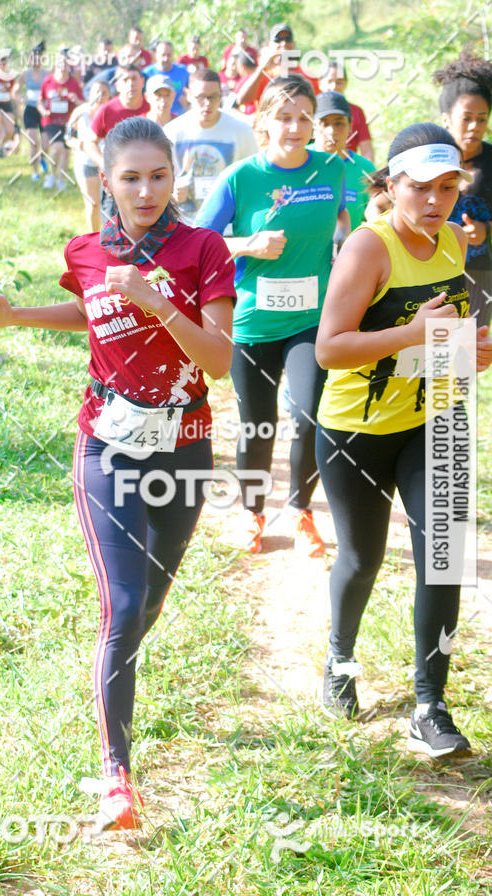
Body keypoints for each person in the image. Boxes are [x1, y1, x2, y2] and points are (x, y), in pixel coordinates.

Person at [0, 116, 236, 830]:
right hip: (107, 444)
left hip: (185, 442)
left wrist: (158, 302)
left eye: (158, 175)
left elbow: (217, 359)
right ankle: (116, 773)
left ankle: (115, 673)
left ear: (174, 176)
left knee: (148, 602)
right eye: (130, 177)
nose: (146, 190)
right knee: (122, 606)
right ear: (107, 182)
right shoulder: (87, 250)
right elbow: (90, 312)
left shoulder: (203, 249)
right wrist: (17, 314)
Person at [315, 122, 492, 756]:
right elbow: (330, 347)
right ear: (393, 186)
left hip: (433, 417)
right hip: (355, 430)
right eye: (421, 189)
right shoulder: (368, 247)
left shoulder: (451, 242)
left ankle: (430, 705)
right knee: (362, 558)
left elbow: (451, 333)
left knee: (445, 555)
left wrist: (474, 349)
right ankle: (338, 662)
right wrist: (413, 335)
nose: (436, 202)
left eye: (449, 188)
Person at [197, 75, 348, 556]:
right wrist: (248, 245)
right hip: (253, 322)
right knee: (257, 425)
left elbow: (368, 215)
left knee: (309, 416)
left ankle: (301, 512)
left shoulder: (334, 170)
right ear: (263, 121)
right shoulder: (241, 178)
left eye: (304, 116)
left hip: (311, 321)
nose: (295, 126)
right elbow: (194, 244)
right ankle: (252, 512)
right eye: (283, 116)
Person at [434, 54, 492, 327]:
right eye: (466, 118)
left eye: (482, 119)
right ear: (446, 119)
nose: (474, 127)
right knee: (435, 350)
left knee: (467, 357)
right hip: (430, 270)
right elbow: (385, 198)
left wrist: (486, 230)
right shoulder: (430, 156)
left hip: (479, 273)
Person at [165, 68, 257, 224]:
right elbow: (158, 180)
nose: (207, 104)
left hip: (227, 225)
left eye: (213, 97)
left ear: (221, 95)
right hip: (183, 225)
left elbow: (253, 178)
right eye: (201, 97)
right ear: (188, 95)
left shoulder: (242, 131)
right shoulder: (171, 133)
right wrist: (171, 193)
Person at [312, 91, 376, 233]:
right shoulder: (298, 160)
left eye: (339, 123)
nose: (332, 131)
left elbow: (376, 220)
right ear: (313, 125)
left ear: (350, 125)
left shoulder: (365, 169)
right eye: (324, 123)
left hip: (351, 252)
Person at [236, 24, 319, 109]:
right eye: (278, 40)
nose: (283, 43)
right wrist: (262, 68)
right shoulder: (262, 73)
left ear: (294, 44)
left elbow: (316, 106)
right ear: (270, 45)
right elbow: (242, 100)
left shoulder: (307, 74)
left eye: (288, 39)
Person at [65, 80, 110, 231]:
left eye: (104, 93)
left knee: (108, 205)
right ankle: (93, 238)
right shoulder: (80, 112)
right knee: (93, 203)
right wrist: (81, 145)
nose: (100, 96)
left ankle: (110, 238)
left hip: (107, 164)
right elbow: (68, 137)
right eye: (96, 92)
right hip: (85, 162)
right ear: (89, 93)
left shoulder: (111, 112)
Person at [87, 64, 150, 167]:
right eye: (125, 80)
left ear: (142, 82)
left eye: (134, 79)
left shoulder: (152, 107)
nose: (130, 84)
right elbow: (90, 143)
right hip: (119, 171)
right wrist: (103, 164)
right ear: (117, 86)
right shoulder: (107, 110)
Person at [38, 51, 83, 190]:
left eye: (65, 66)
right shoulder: (48, 81)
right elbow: (40, 101)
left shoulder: (73, 83)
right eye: (60, 66)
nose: (63, 69)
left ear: (69, 68)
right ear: (55, 67)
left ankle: (61, 179)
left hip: (69, 122)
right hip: (51, 121)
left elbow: (83, 102)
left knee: (66, 151)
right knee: (57, 147)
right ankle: (51, 175)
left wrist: (76, 100)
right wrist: (43, 111)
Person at [319, 61, 374, 162]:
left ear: (346, 84)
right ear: (320, 83)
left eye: (339, 82)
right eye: (329, 81)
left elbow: (367, 150)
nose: (334, 86)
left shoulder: (356, 112)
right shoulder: (311, 110)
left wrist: (367, 172)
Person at [15, 42, 49, 180]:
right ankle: (35, 172)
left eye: (38, 58)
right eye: (33, 58)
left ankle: (41, 158)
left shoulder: (47, 74)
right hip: (30, 110)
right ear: (30, 60)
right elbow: (15, 91)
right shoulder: (25, 75)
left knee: (46, 144)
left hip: (44, 111)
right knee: (34, 142)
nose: (36, 61)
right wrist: (20, 99)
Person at [143, 42, 189, 116]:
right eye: (163, 55)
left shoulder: (183, 71)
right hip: (156, 117)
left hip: (178, 117)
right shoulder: (147, 73)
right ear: (156, 55)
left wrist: (188, 101)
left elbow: (193, 91)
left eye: (169, 55)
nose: (166, 58)